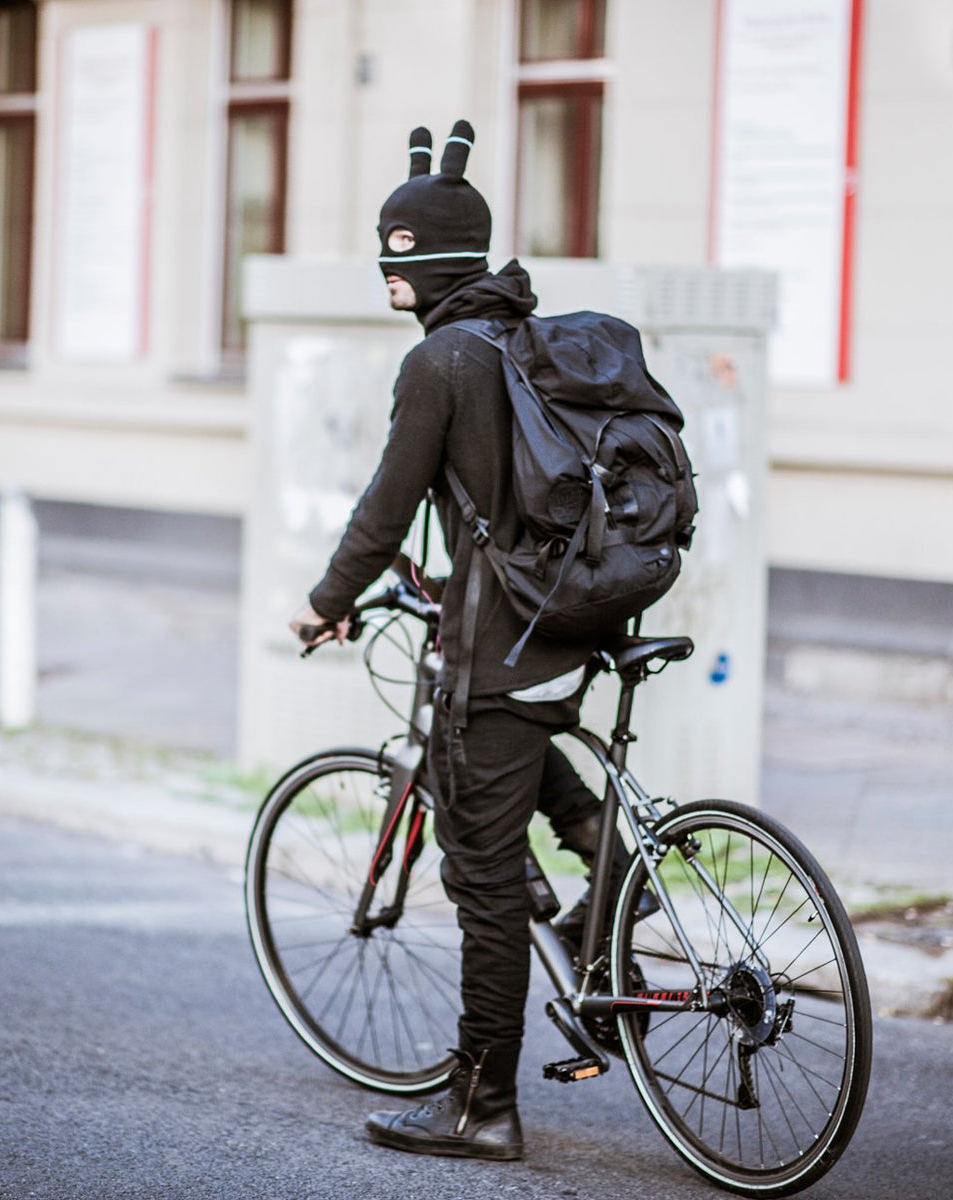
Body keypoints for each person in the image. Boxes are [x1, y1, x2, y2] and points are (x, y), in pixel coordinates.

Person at [288, 119, 621, 1162]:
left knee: (478, 883)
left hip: (495, 643)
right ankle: (601, 907)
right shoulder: (525, 340)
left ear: (426, 263)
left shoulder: (440, 362)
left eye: (395, 256)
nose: (384, 274)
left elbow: (387, 505)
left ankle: (480, 1105)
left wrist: (326, 598)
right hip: (566, 622)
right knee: (533, 785)